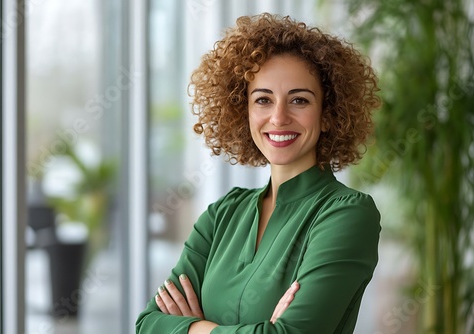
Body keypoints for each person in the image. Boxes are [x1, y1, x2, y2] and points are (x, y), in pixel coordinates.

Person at [136, 12, 381, 334]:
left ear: (328, 114)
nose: (278, 118)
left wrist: (193, 327)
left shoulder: (346, 214)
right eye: (263, 99)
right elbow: (148, 324)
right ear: (243, 110)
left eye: (299, 100)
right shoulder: (222, 215)